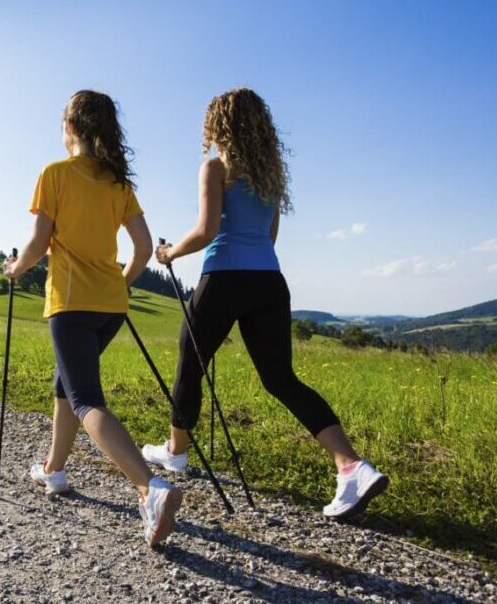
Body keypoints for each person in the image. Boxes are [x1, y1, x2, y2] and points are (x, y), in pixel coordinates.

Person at [142, 88, 388, 520]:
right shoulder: (269, 175)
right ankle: (351, 466)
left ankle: (176, 452)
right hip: (269, 281)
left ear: (218, 125)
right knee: (281, 379)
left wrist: (169, 255)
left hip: (223, 277)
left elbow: (205, 231)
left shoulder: (215, 168)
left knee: (189, 363)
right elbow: (269, 235)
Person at [3, 89, 182, 548]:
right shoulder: (120, 184)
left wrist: (14, 268)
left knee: (85, 400)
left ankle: (150, 489)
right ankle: (54, 470)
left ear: (72, 127)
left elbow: (39, 243)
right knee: (65, 384)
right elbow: (142, 250)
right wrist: (120, 282)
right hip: (111, 305)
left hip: (70, 303)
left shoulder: (54, 174)